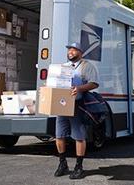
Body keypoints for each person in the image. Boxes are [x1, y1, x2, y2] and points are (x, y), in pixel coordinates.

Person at [54, 42, 99, 179]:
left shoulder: (87, 66)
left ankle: (79, 167)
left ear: (81, 52)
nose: (70, 52)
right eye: (69, 50)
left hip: (77, 104)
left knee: (79, 136)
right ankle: (62, 163)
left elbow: (94, 83)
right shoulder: (63, 67)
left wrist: (79, 88)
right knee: (59, 135)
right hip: (62, 104)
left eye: (74, 50)